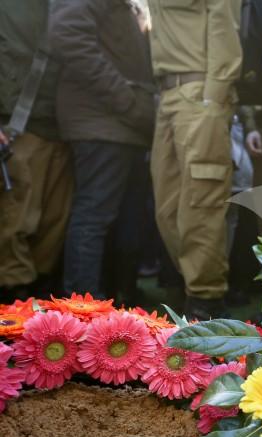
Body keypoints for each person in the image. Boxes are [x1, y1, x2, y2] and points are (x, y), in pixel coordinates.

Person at [49, 0, 155, 301]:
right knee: (93, 217)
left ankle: (115, 303)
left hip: (123, 126)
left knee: (123, 220)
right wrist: (125, 98)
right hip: (102, 123)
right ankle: (83, 307)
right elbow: (67, 34)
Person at [147, 0, 243, 320]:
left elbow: (224, 25)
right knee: (167, 206)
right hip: (167, 94)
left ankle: (206, 301)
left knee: (201, 202)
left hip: (199, 89)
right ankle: (192, 283)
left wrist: (213, 97)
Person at [0, 1, 73, 303]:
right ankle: (11, 310)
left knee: (53, 226)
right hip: (16, 128)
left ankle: (34, 312)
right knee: (15, 224)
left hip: (64, 129)